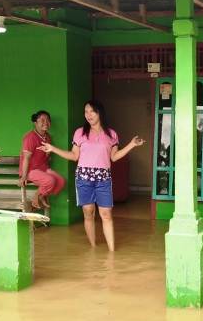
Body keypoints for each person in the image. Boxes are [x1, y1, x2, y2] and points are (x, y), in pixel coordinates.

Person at [38, 100, 144, 251]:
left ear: (99, 112)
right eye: (86, 112)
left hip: (103, 178)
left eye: (91, 111)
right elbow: (74, 156)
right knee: (88, 213)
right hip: (84, 178)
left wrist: (132, 144)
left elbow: (114, 157)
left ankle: (112, 252)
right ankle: (93, 248)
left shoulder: (111, 134)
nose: (88, 115)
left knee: (106, 214)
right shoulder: (80, 133)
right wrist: (52, 148)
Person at [19, 110, 65, 210]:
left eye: (48, 120)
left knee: (61, 181)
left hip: (43, 168)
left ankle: (40, 196)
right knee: (50, 181)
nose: (46, 123)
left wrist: (48, 155)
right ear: (35, 123)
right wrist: (23, 177)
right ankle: (37, 197)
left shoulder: (48, 137)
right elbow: (26, 158)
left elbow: (45, 155)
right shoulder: (30, 137)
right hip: (31, 170)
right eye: (42, 120)